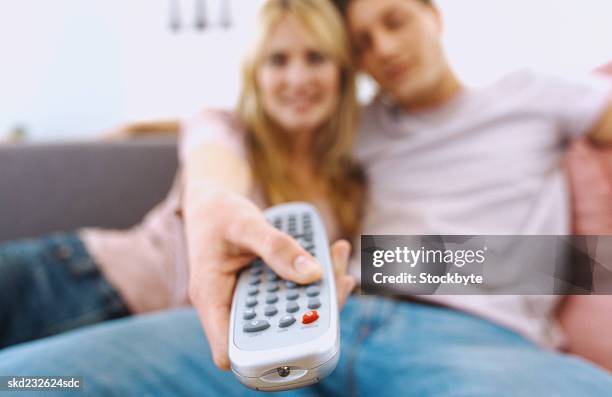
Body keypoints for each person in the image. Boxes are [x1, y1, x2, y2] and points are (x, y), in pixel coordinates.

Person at [2, 0, 612, 396]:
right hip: (307, 313)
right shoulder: (358, 131)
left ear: (433, 14)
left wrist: (572, 266)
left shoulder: (531, 94)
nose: (384, 50)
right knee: (31, 382)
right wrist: (193, 173)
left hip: (464, 333)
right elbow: (231, 137)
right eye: (364, 43)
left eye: (395, 21)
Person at [0, 0, 362, 350]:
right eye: (277, 60)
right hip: (79, 275)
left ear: (343, 72)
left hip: (152, 344)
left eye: (316, 58)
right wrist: (212, 204)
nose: (297, 79)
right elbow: (212, 171)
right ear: (256, 74)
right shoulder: (224, 129)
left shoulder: (349, 185)